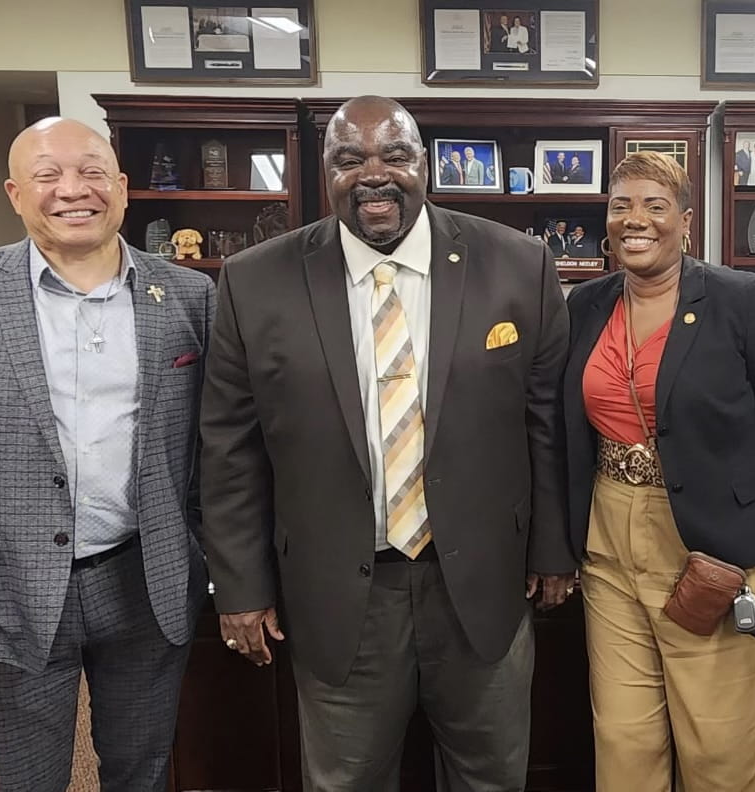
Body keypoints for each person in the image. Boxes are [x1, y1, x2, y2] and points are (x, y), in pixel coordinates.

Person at [199, 95, 574, 790]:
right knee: (346, 779)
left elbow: (544, 419)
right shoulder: (255, 282)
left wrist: (554, 549)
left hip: (483, 585)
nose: (374, 175)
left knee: (490, 774)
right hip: (338, 595)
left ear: (424, 165)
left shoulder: (519, 265)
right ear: (326, 172)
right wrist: (240, 588)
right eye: (351, 159)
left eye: (395, 156)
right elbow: (230, 448)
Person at [0, 117, 214, 792]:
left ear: (120, 188)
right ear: (15, 193)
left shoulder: (190, 296)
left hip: (147, 583)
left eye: (90, 172)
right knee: (28, 778)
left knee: (143, 767)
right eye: (47, 175)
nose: (71, 191)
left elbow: (216, 448)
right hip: (11, 590)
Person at [559, 151, 755, 792]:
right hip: (610, 547)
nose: (636, 220)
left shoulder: (743, 301)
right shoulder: (585, 306)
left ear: (686, 220)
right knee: (624, 743)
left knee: (721, 753)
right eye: (621, 204)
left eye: (654, 205)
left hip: (716, 552)